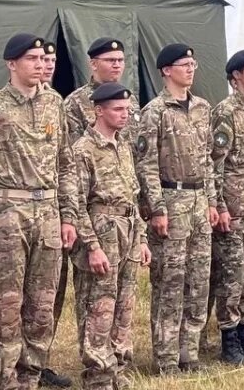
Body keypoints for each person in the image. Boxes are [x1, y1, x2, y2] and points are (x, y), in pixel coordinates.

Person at [0, 34, 78, 390]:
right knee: (7, 303)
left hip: (47, 211)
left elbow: (65, 163)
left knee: (42, 302)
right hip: (8, 213)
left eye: (41, 57)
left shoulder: (53, 103)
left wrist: (68, 216)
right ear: (11, 64)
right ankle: (5, 375)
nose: (38, 64)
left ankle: (30, 375)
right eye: (30, 58)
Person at [135, 43, 216, 374]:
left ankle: (189, 353)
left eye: (193, 63)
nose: (191, 69)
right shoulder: (154, 112)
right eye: (184, 64)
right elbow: (147, 164)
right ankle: (166, 358)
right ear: (167, 70)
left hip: (198, 203)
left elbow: (208, 158)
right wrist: (156, 208)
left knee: (198, 282)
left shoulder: (202, 108)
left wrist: (211, 200)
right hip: (171, 201)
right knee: (170, 281)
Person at [70, 82, 150, 390]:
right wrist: (91, 246)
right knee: (98, 306)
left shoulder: (123, 145)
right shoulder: (83, 150)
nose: (125, 115)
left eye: (127, 109)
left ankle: (118, 368)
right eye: (117, 109)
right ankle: (98, 375)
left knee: (124, 306)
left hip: (127, 233)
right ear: (98, 111)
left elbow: (134, 195)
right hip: (101, 234)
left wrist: (141, 239)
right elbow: (76, 203)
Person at [209, 50, 244, 364]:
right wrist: (219, 206)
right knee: (232, 275)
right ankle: (229, 337)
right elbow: (215, 164)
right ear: (236, 76)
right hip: (235, 207)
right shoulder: (225, 112)